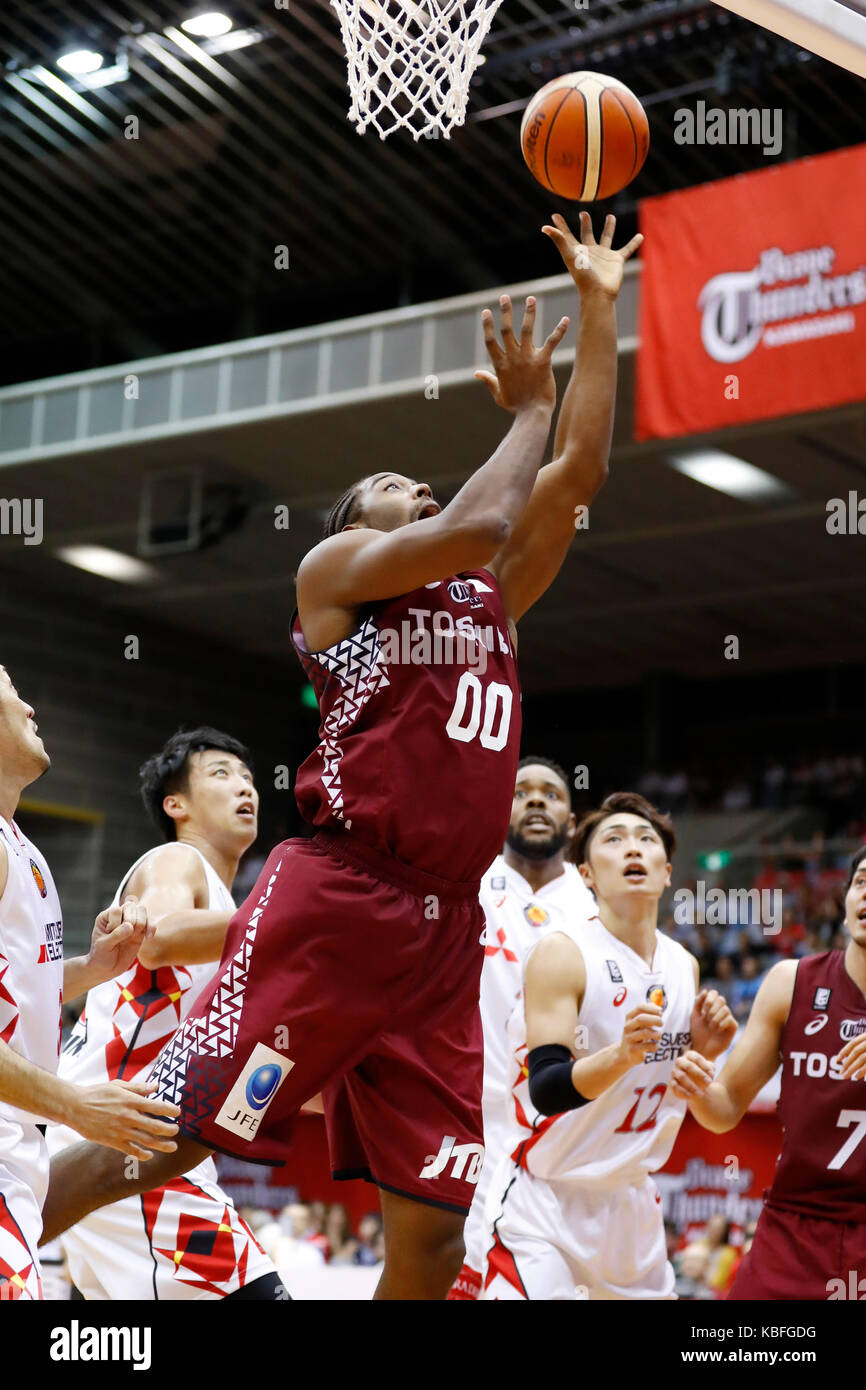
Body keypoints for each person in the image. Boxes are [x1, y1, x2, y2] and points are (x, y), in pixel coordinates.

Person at [40, 213, 642, 1300]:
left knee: (433, 1235)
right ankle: (9, 1235)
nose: (411, 483)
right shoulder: (338, 580)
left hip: (442, 926)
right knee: (174, 1138)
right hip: (337, 897)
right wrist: (525, 407)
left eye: (419, 478)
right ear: (356, 526)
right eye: (388, 482)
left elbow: (579, 472)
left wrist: (598, 312)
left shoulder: (489, 601)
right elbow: (479, 517)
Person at [46, 728, 283, 1300]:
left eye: (249, 777)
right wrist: (298, 921)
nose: (244, 787)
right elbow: (157, 937)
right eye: (221, 774)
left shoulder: (233, 921)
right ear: (175, 805)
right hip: (125, 1142)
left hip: (130, 1147)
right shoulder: (178, 861)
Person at [480, 792, 736, 1300]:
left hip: (633, 1208)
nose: (633, 849)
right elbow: (547, 1089)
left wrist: (703, 1057)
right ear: (587, 876)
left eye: (646, 840)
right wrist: (621, 1055)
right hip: (546, 1200)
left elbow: (705, 1108)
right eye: (613, 841)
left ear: (667, 873)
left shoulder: (684, 965)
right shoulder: (561, 952)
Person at [0, 665, 178, 1300]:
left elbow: (20, 993)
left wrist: (94, 968)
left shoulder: (23, 847)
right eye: (11, 688)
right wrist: (75, 1105)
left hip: (20, 1155)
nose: (30, 705)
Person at [670, 844, 866, 1300]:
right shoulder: (790, 983)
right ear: (844, 907)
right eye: (861, 883)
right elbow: (724, 1109)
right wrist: (698, 1075)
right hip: (793, 1228)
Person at [449, 755, 595, 1299]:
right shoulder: (460, 883)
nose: (536, 800)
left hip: (557, 1133)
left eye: (552, 794)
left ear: (573, 824)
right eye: (521, 792)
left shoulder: (595, 909)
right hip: (462, 1120)